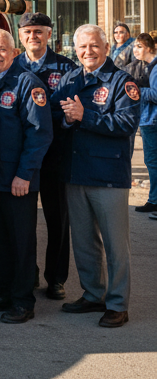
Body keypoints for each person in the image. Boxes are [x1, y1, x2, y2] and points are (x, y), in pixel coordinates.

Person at [50, 25, 140, 328]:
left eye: (94, 46)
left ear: (105, 47)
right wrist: (65, 117)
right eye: (82, 47)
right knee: (85, 242)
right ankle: (93, 294)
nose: (88, 52)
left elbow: (126, 124)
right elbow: (53, 113)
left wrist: (82, 116)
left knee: (116, 245)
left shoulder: (122, 82)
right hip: (76, 173)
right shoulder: (71, 78)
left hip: (108, 175)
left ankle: (117, 303)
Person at [0, 30, 53, 324]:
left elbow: (40, 134)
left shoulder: (27, 84)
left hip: (17, 182)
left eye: (1, 49)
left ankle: (22, 301)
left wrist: (24, 174)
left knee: (20, 243)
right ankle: (4, 292)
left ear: (14, 51)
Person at [15, 12, 76, 300]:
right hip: (22, 157)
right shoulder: (12, 66)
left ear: (49, 34)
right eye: (27, 32)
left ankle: (56, 278)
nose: (33, 37)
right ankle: (27, 273)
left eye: (38, 31)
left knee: (57, 219)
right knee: (23, 221)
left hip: (55, 156)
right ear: (20, 35)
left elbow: (71, 109)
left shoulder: (66, 68)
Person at [131, 34, 157, 215]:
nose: (135, 50)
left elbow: (156, 94)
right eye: (135, 47)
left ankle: (155, 201)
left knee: (152, 162)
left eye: (139, 46)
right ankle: (153, 200)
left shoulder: (155, 68)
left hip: (152, 120)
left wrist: (137, 90)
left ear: (149, 47)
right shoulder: (150, 67)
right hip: (149, 119)